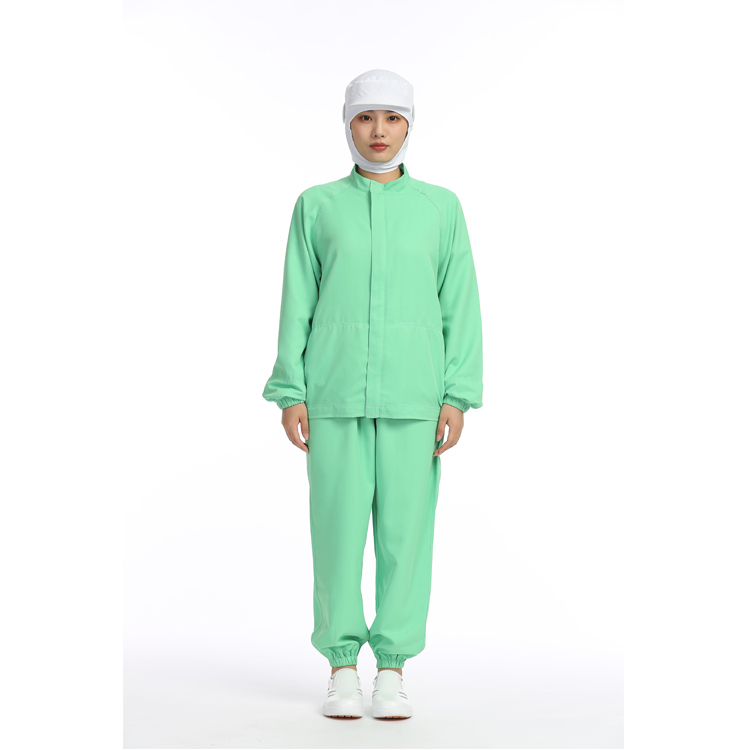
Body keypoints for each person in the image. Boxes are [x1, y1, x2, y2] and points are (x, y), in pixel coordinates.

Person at [262, 69, 483, 720]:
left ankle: (391, 670)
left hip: (416, 396)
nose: (378, 131)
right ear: (347, 123)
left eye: (391, 117)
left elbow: (460, 304)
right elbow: (296, 301)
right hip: (332, 394)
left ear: (409, 124)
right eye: (365, 117)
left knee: (405, 538)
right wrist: (291, 389)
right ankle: (340, 668)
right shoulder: (316, 206)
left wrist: (457, 393)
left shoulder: (441, 208)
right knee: (334, 534)